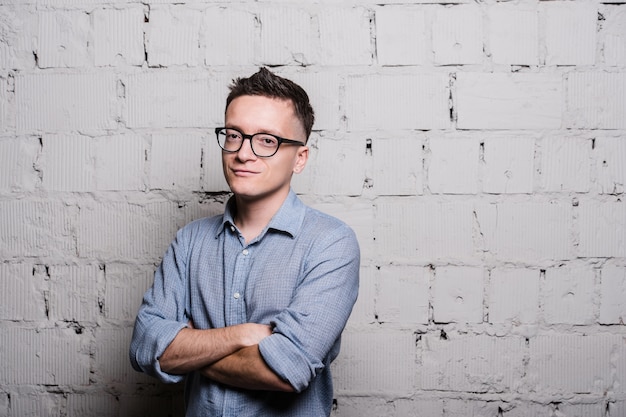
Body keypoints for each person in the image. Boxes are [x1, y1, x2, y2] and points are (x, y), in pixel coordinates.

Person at [129, 67, 360, 417]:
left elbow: (286, 369)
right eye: (234, 135)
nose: (243, 153)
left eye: (267, 140)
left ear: (300, 158)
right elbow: (146, 347)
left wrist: (188, 351)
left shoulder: (330, 244)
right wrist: (241, 336)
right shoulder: (190, 241)